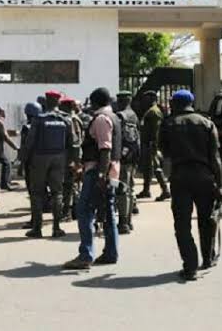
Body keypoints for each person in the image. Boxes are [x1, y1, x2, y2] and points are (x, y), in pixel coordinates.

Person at [160, 90, 222, 281]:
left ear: (175, 103)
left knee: (182, 224)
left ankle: (190, 266)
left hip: (180, 177)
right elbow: (215, 158)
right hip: (205, 177)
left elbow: (164, 151)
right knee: (207, 219)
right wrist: (220, 186)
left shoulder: (168, 123)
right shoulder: (207, 123)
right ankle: (208, 258)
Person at [64, 87, 121, 269]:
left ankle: (85, 255)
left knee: (85, 211)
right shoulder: (114, 117)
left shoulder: (102, 119)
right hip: (111, 171)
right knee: (108, 212)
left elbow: (105, 149)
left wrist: (99, 176)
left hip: (98, 171)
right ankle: (110, 253)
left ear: (95, 102)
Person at [24, 90, 74, 238]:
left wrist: (24, 160)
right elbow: (73, 143)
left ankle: (37, 229)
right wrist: (72, 161)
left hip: (39, 158)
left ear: (45, 101)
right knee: (57, 193)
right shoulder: (66, 119)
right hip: (59, 158)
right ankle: (56, 228)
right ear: (58, 102)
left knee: (37, 193)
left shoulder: (39, 119)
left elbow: (29, 142)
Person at [114, 91, 141, 234]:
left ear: (121, 101)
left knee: (122, 189)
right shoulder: (134, 115)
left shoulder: (120, 116)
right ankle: (128, 221)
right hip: (132, 157)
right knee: (129, 189)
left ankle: (123, 222)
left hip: (122, 158)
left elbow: (117, 138)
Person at [137, 91, 171, 202]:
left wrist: (154, 145)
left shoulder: (154, 112)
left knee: (156, 168)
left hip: (151, 144)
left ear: (152, 99)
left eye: (146, 99)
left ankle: (165, 190)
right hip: (147, 143)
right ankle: (146, 190)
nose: (143, 101)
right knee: (147, 168)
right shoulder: (150, 111)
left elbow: (156, 130)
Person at [59, 96, 83, 222]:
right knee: (71, 186)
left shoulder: (72, 120)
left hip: (71, 158)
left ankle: (69, 212)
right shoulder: (71, 119)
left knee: (70, 186)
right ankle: (72, 212)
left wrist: (77, 162)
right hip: (70, 157)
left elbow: (76, 143)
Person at [19, 101, 42, 229]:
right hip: (46, 162)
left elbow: (25, 147)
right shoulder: (44, 124)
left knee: (34, 193)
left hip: (31, 163)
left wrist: (21, 165)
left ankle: (35, 220)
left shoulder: (27, 127)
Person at [0, 107, 19, 190]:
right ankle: (5, 184)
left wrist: (14, 132)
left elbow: (3, 132)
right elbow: (5, 136)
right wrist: (15, 147)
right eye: (4, 112)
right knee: (7, 164)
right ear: (2, 112)